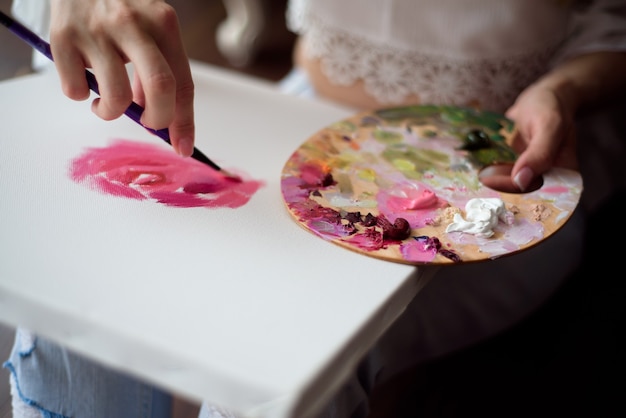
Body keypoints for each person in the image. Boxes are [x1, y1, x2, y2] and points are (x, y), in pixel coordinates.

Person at [4, 0, 626, 417]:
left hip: (505, 170)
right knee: (86, 315)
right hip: (301, 127)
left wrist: (566, 88)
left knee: (275, 376)